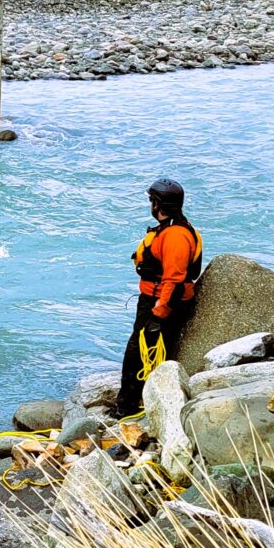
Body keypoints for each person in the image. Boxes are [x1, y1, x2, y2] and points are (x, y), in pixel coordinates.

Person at [116, 178, 203, 417]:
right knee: (142, 350)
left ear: (158, 204)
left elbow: (174, 281)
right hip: (154, 299)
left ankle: (126, 408)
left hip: (160, 302)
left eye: (152, 201)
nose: (150, 205)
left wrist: (158, 314)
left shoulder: (175, 235)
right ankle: (140, 399)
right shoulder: (172, 229)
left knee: (137, 352)